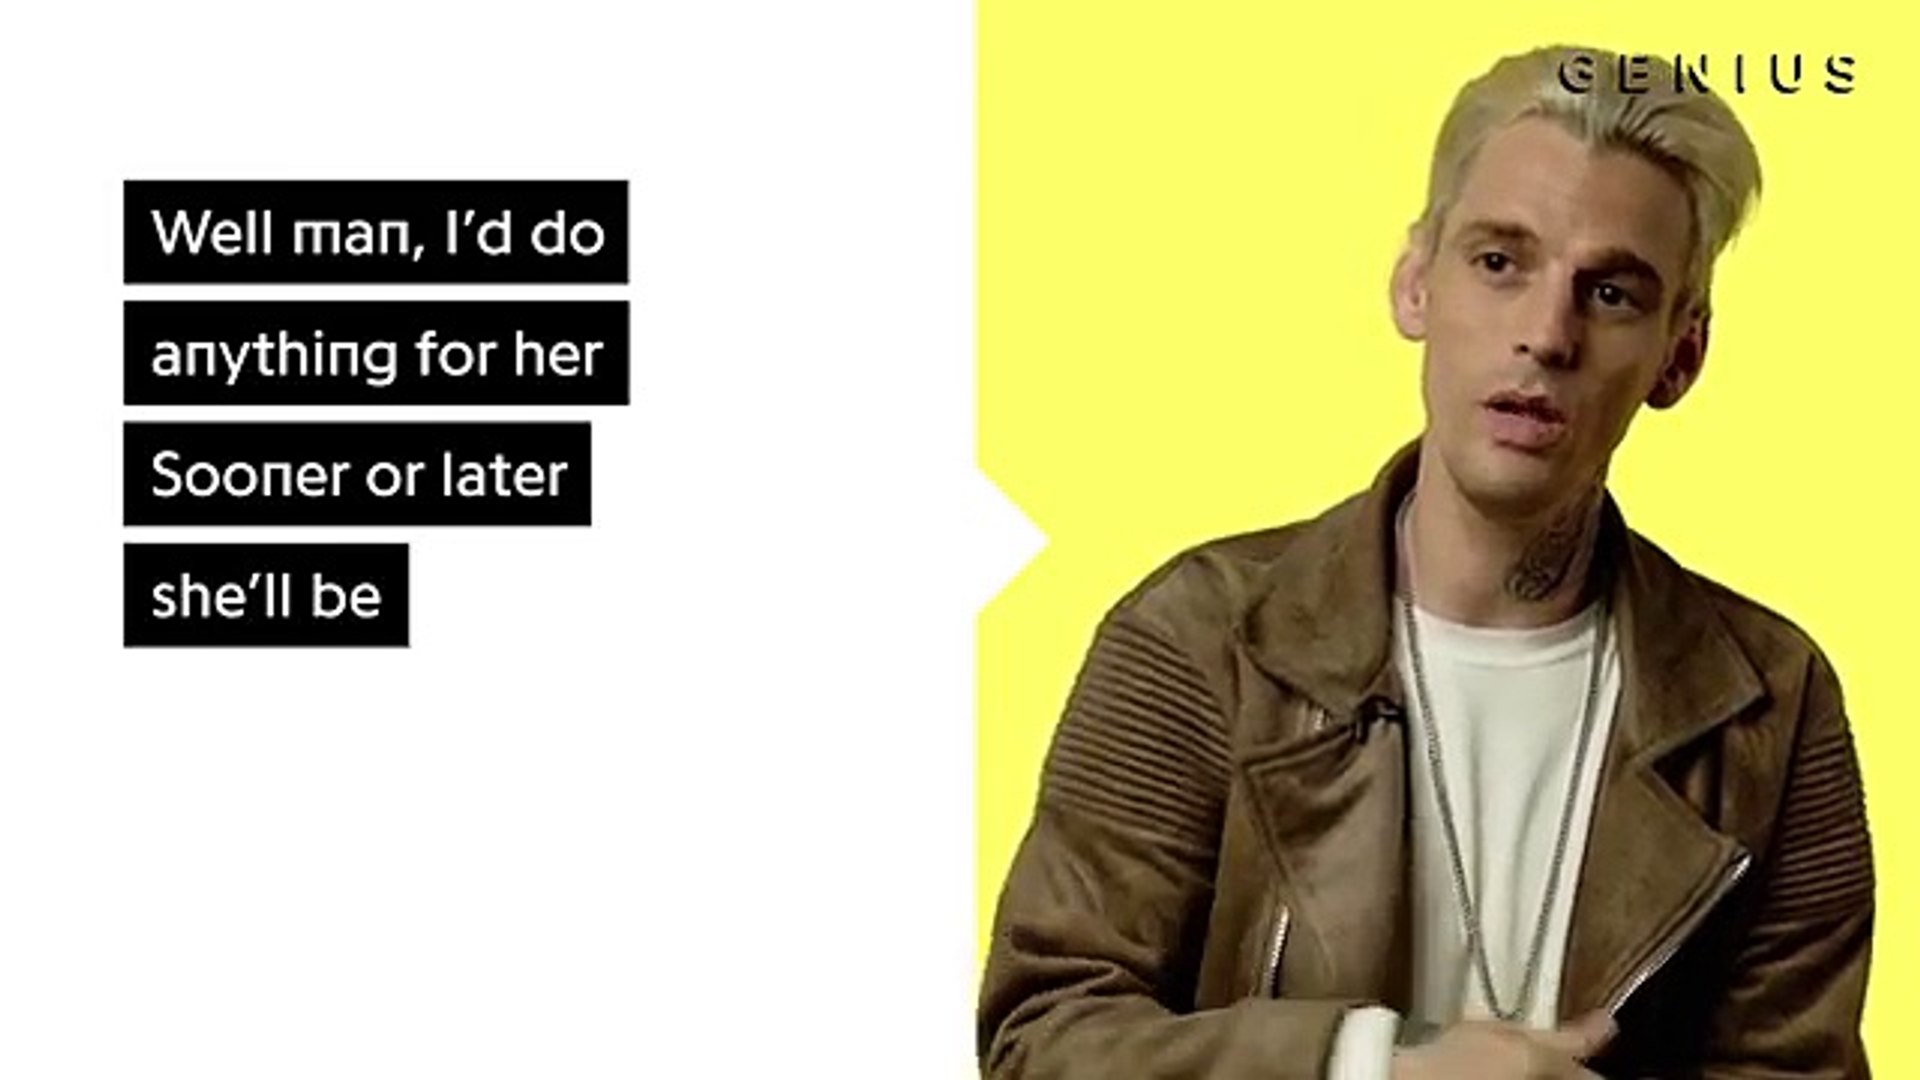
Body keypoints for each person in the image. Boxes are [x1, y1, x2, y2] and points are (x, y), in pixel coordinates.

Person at [976, 44, 1874, 1080]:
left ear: (1682, 354)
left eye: (1613, 293)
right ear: (1415, 285)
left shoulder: (1767, 705)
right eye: (1500, 262)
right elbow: (1041, 1041)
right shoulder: (1200, 639)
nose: (1547, 334)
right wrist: (1374, 1065)